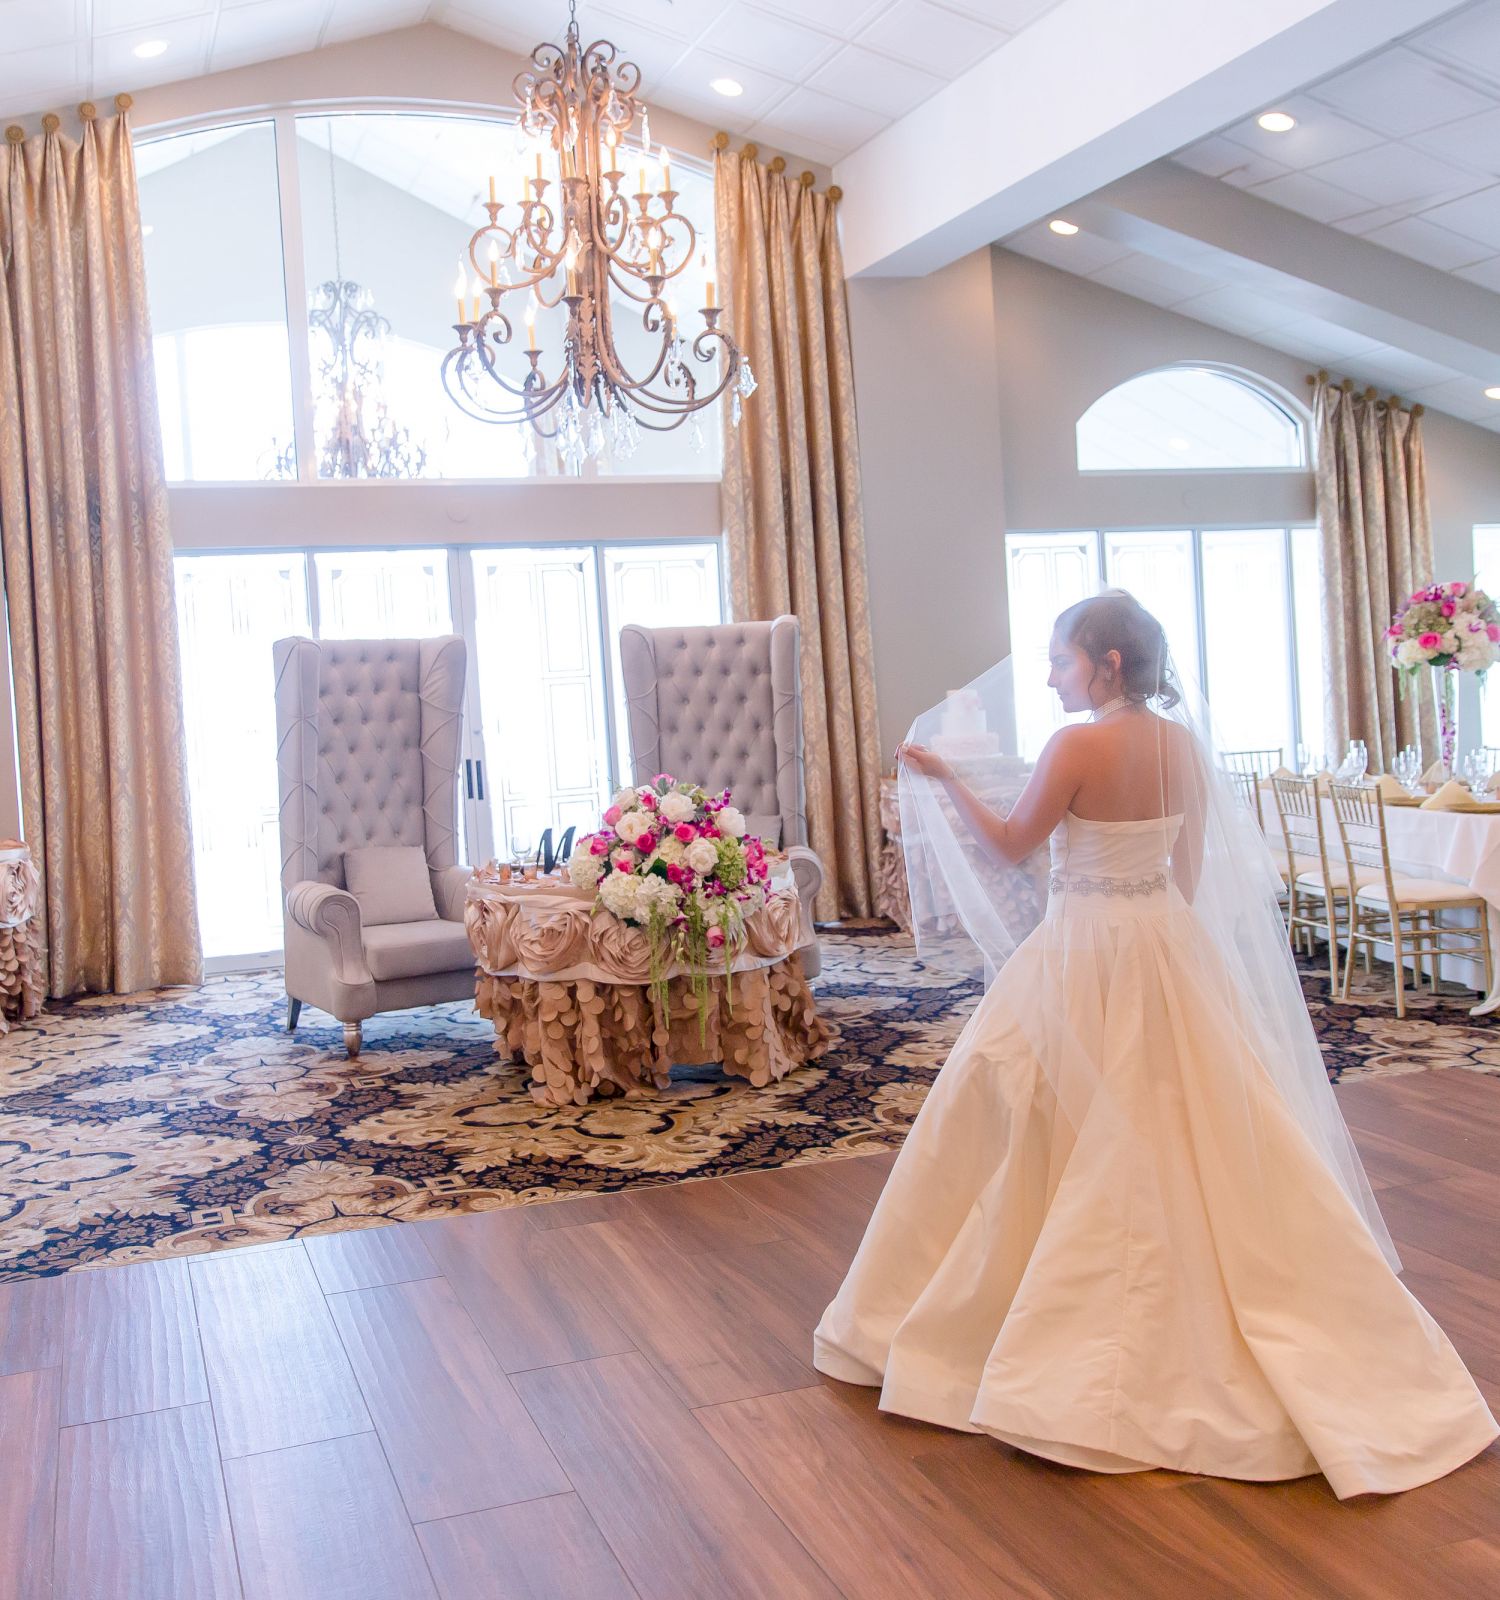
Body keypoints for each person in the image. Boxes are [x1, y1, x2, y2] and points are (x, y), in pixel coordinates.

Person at [814, 591, 1497, 1498]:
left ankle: (1017, 1320)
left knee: (1032, 1107)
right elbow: (1185, 873)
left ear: (1108, 663)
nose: (1052, 674)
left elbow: (1016, 846)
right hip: (1164, 943)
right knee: (1184, 1120)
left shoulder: (1077, 745)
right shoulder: (1183, 746)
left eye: (1062, 659)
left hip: (1083, 946)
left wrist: (947, 780)